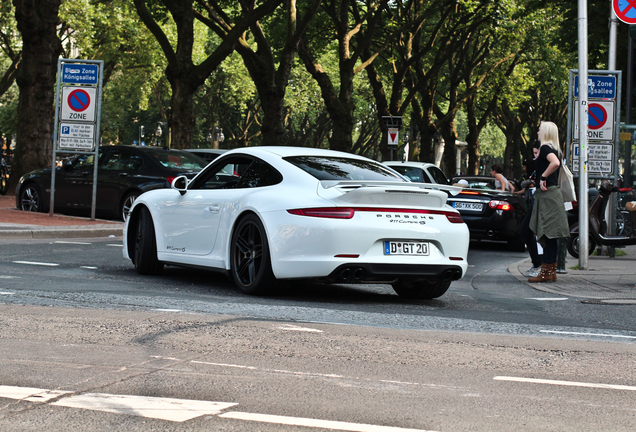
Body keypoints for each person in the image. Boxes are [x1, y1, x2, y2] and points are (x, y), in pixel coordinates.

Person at [528, 121, 570, 283]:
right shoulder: (556, 149)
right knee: (552, 235)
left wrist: (543, 177)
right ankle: (550, 271)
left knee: (546, 232)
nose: (538, 132)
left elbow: (555, 164)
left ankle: (545, 272)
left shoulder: (545, 148)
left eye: (540, 129)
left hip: (547, 195)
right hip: (553, 194)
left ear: (545, 131)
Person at [519, 142, 541, 277]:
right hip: (536, 203)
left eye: (537, 153)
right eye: (534, 153)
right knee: (526, 231)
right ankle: (538, 263)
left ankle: (542, 265)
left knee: (533, 232)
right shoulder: (538, 165)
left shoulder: (547, 163)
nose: (535, 156)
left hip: (542, 202)